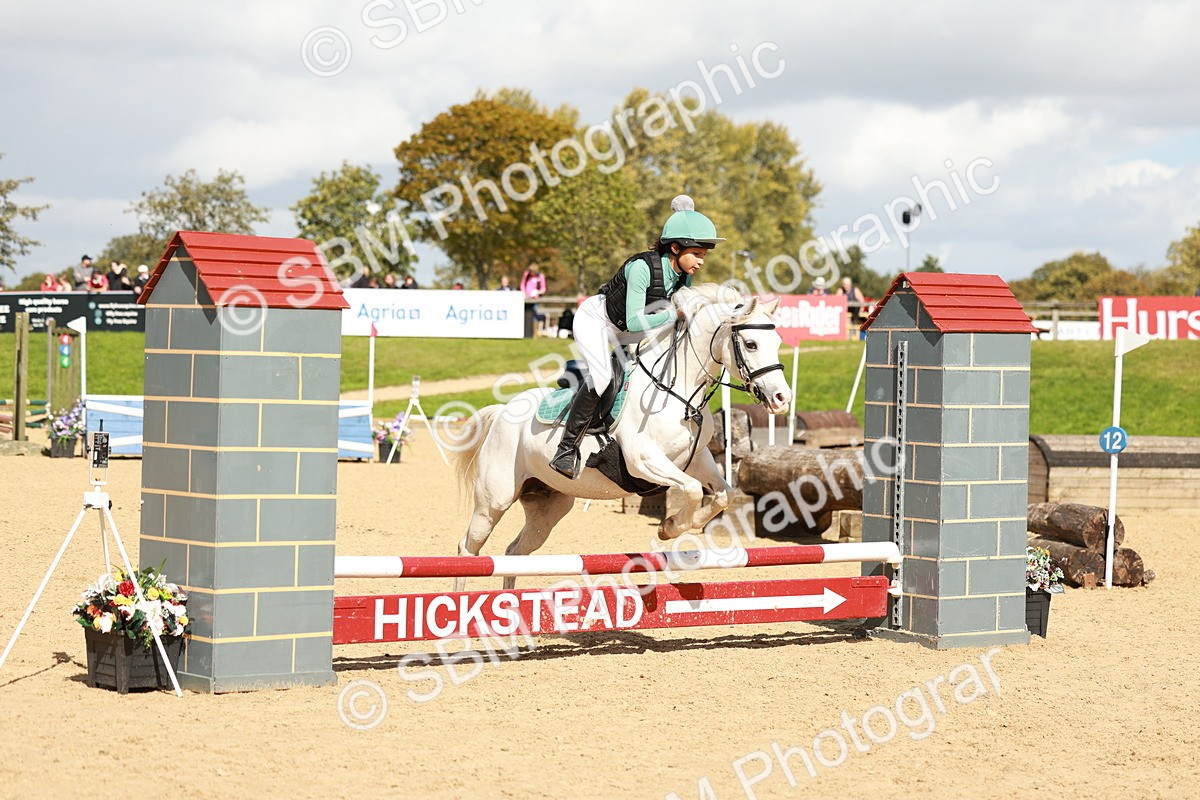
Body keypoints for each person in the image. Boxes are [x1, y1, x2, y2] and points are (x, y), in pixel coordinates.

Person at [549, 194, 723, 478]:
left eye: (704, 255)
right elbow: (634, 319)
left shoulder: (683, 275)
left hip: (630, 329)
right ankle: (566, 448)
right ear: (676, 247)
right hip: (598, 320)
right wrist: (674, 315)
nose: (701, 261)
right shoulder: (642, 267)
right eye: (698, 254)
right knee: (604, 377)